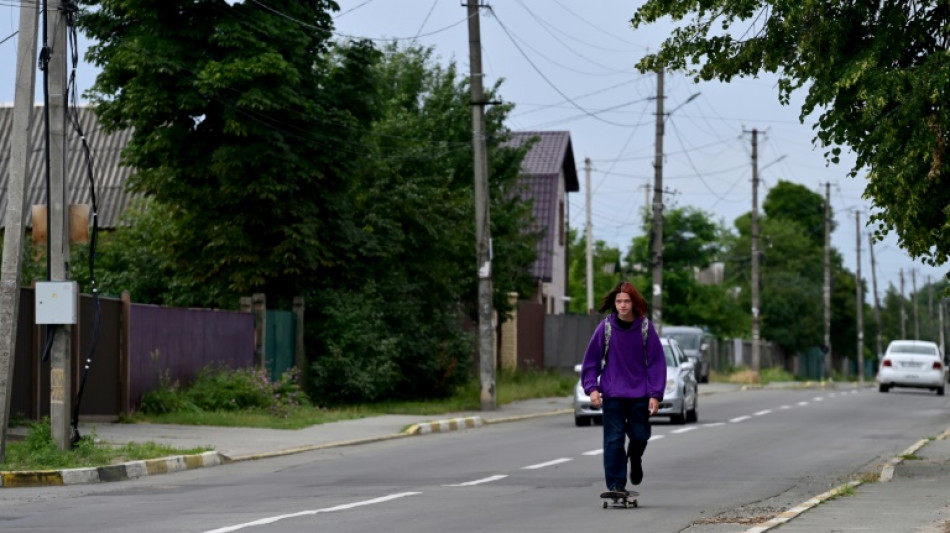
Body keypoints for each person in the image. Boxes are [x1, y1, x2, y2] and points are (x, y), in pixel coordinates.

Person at [580, 281, 666, 494]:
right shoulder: (606, 327)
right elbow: (591, 361)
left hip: (639, 393)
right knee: (614, 440)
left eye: (626, 301)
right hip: (613, 393)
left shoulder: (645, 328)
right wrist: (592, 388)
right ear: (614, 303)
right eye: (618, 301)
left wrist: (655, 394)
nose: (622, 305)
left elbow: (656, 362)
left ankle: (635, 458)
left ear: (634, 303)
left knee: (639, 436)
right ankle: (616, 484)